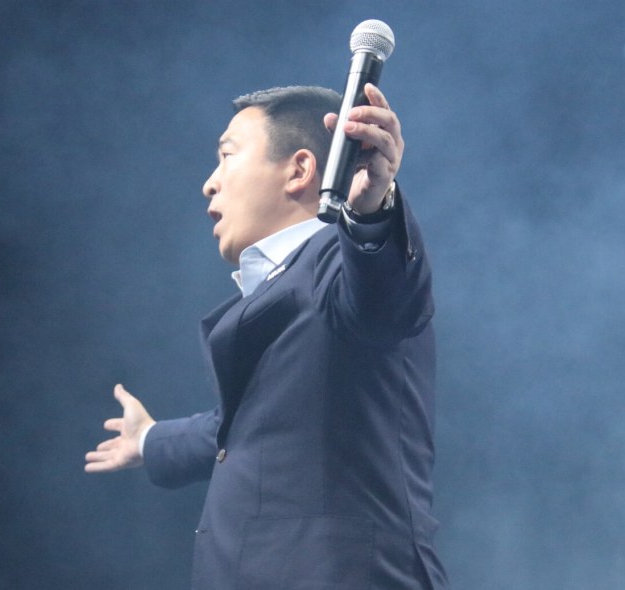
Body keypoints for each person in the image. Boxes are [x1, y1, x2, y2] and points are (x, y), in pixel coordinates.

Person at [85, 83, 448, 589]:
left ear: (299, 170)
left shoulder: (338, 265)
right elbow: (245, 431)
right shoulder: (288, 287)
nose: (209, 184)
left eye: (227, 156)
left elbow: (385, 295)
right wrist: (148, 439)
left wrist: (372, 212)